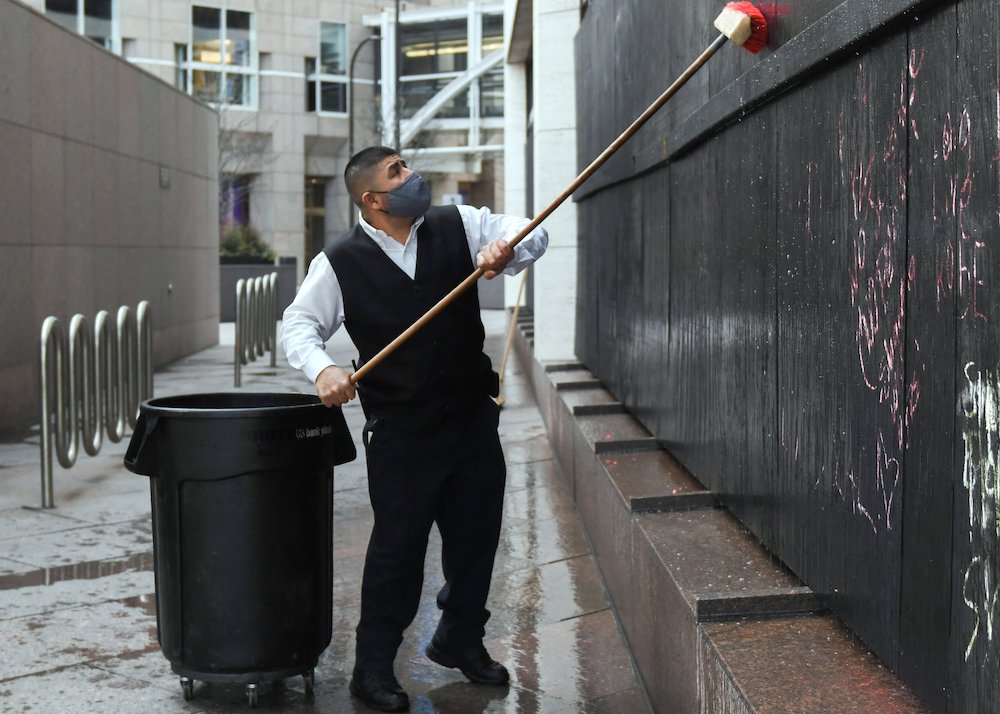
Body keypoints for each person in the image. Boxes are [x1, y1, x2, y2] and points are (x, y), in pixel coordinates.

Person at [280, 146, 548, 712]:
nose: (412, 177)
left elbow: (533, 231)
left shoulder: (459, 223)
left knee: (476, 538)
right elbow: (298, 323)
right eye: (397, 173)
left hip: (471, 418)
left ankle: (460, 638)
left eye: (407, 166)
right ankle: (372, 666)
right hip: (402, 431)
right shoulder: (340, 262)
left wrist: (509, 249)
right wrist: (324, 367)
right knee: (397, 551)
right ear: (372, 200)